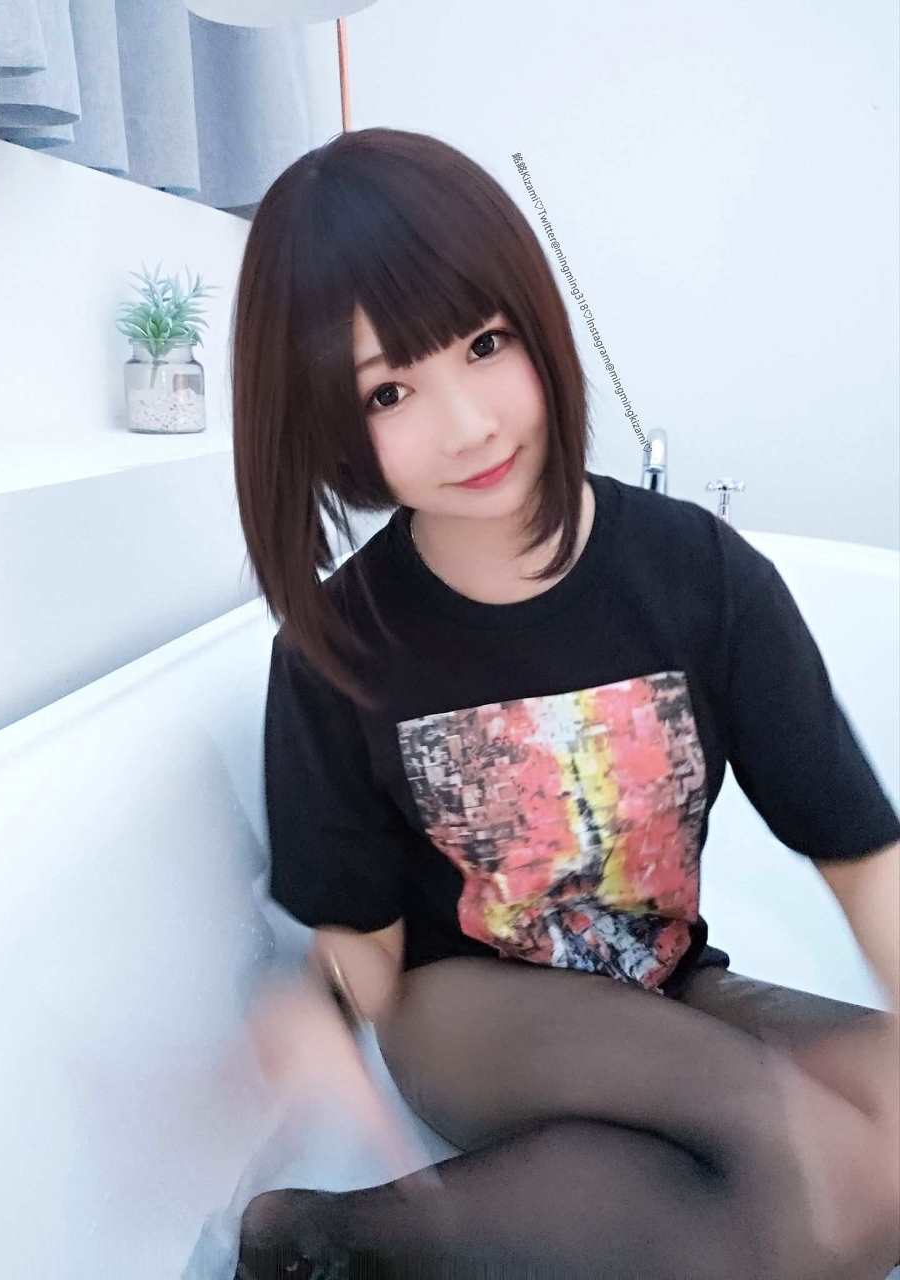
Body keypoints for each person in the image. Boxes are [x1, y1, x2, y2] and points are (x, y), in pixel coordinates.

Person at [228, 126, 900, 1279]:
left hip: (669, 980)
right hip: (467, 1010)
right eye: (391, 389)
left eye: (484, 344)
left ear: (535, 321)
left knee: (865, 1146)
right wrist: (313, 1010)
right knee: (817, 1155)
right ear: (330, 421)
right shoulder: (337, 648)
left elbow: (861, 855)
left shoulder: (704, 575)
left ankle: (327, 1247)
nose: (469, 425)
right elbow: (364, 944)